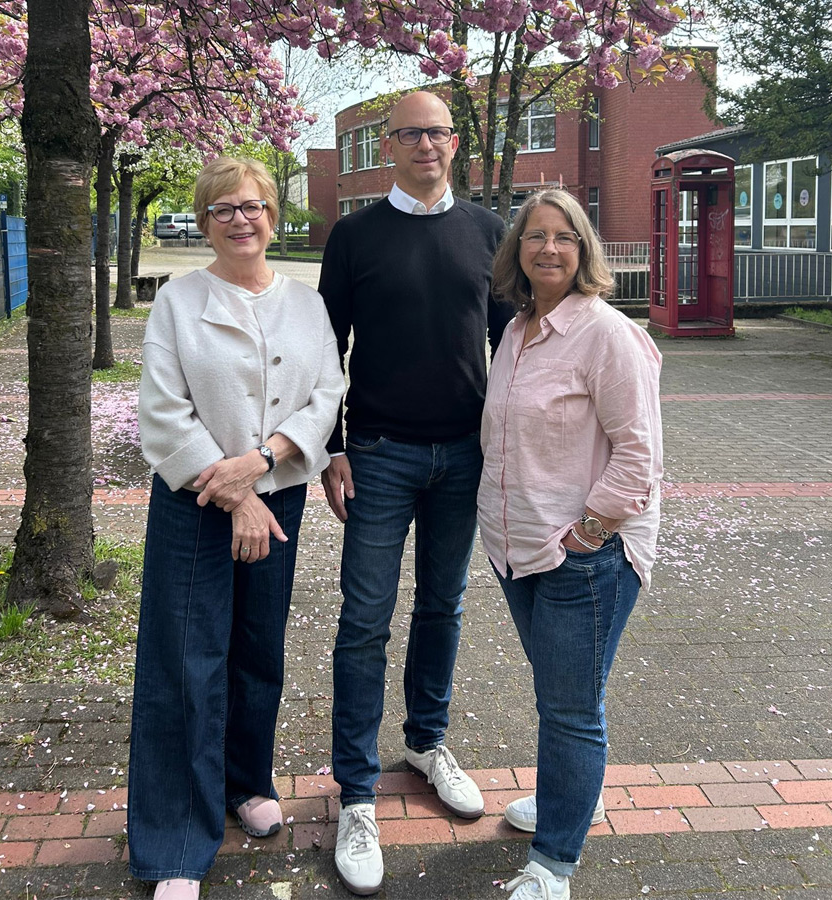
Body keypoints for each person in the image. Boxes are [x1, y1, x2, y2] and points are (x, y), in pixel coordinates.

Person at [128, 157, 345, 900]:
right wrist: (232, 492)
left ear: (272, 217)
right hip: (194, 502)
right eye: (221, 209)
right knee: (185, 662)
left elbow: (326, 393)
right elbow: (162, 411)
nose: (239, 220)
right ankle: (175, 843)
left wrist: (262, 464)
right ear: (204, 221)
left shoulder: (307, 304)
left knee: (258, 648)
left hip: (277, 494)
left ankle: (247, 781)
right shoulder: (179, 301)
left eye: (251, 206)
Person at [318, 90, 514, 896]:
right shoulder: (354, 236)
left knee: (444, 606)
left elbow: (512, 343)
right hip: (377, 454)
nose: (424, 144)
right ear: (389, 146)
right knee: (364, 621)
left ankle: (427, 742)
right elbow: (323, 347)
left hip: (464, 455)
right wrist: (330, 446)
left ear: (454, 142)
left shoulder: (489, 232)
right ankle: (356, 794)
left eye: (436, 132)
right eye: (409, 134)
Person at [477, 189, 663, 900]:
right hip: (518, 546)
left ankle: (553, 863)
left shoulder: (607, 334)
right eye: (534, 236)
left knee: (571, 708)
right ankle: (572, 797)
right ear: (516, 250)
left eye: (564, 236)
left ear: (584, 249)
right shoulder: (517, 328)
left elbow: (639, 455)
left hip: (582, 555)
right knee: (562, 693)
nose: (548, 248)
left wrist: (590, 532)